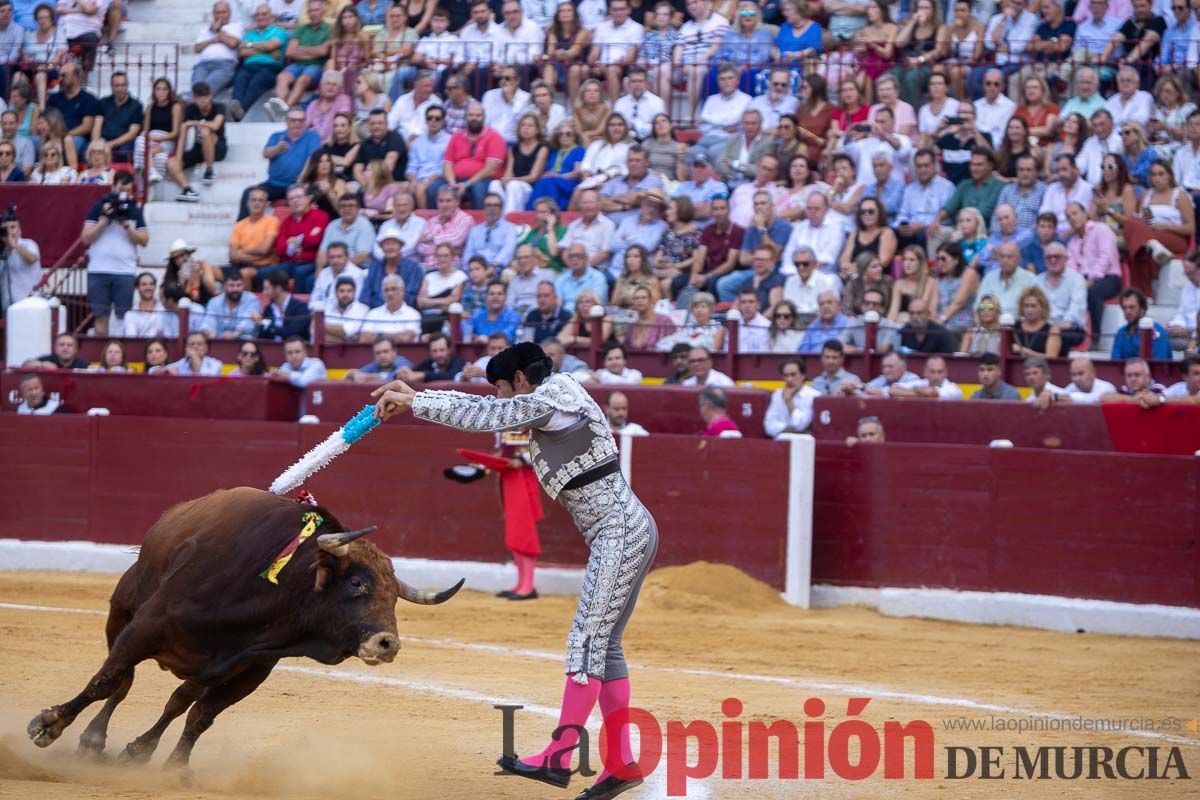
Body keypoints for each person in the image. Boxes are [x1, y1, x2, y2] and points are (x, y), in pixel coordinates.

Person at [372, 341, 657, 798]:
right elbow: (483, 407)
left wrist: (415, 402)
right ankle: (621, 764)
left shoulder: (551, 397)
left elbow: (487, 415)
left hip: (619, 533)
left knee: (586, 643)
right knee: (605, 649)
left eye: (503, 387)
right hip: (624, 529)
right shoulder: (554, 394)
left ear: (521, 379)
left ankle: (559, 756)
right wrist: (416, 396)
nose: (502, 397)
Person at [80, 171, 149, 337]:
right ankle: (102, 356)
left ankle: (119, 358)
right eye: (121, 187)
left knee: (123, 318)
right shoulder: (99, 206)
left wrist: (125, 225)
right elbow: (85, 238)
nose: (124, 191)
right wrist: (104, 220)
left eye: (128, 188)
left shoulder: (134, 210)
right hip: (98, 270)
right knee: (100, 317)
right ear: (113, 186)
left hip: (124, 271)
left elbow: (144, 240)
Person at [239, 106, 322, 217]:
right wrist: (278, 148)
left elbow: (311, 160)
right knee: (249, 193)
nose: (297, 123)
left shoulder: (311, 136)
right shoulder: (277, 136)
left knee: (313, 196)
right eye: (293, 120)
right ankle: (241, 229)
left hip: (299, 184)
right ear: (287, 122)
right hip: (274, 184)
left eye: (301, 120)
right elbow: (266, 153)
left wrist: (300, 181)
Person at [229, 5, 288, 121]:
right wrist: (266, 51)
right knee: (240, 78)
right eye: (258, 15)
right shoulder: (250, 33)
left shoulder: (279, 31)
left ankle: (240, 111)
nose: (260, 17)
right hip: (249, 66)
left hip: (270, 67)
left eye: (264, 14)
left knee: (257, 81)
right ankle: (234, 108)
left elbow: (270, 45)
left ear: (272, 17)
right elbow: (242, 52)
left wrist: (250, 45)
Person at [192, 1, 243, 100]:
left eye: (224, 12)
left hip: (224, 66)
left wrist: (219, 30)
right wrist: (212, 41)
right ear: (213, 14)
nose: (220, 15)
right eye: (218, 12)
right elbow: (196, 48)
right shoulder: (206, 30)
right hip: (203, 65)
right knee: (196, 90)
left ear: (229, 13)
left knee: (204, 92)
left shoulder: (236, 26)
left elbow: (233, 43)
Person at [93, 71, 143, 164]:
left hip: (123, 142)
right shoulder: (103, 102)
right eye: (117, 85)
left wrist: (111, 144)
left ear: (127, 86)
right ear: (112, 86)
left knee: (123, 153)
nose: (120, 88)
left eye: (123, 85)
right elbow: (97, 126)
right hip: (103, 140)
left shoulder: (136, 106)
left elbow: (132, 133)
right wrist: (97, 143)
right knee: (89, 150)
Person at [978, 241, 1038, 318]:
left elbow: (1036, 308)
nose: (1005, 260)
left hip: (1018, 326)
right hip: (992, 324)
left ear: (1018, 259)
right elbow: (979, 306)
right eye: (1002, 257)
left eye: (1009, 257)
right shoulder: (989, 278)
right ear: (998, 259)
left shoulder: (1030, 279)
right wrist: (993, 310)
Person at [1111, 287, 1173, 360]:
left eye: (1132, 307)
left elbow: (1158, 364)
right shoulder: (1121, 332)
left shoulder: (1158, 332)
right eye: (1124, 308)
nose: (1127, 311)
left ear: (1142, 309)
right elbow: (1115, 363)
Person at [764, 358, 818, 437]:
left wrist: (788, 401)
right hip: (779, 442)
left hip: (803, 444)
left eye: (793, 375)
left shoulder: (813, 396)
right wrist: (789, 429)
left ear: (803, 376)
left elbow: (801, 425)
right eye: (786, 375)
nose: (789, 379)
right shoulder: (777, 394)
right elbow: (768, 426)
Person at [362, 274, 421, 343]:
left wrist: (378, 336)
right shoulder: (373, 313)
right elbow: (364, 338)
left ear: (402, 292)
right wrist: (397, 336)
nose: (389, 293)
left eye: (393, 289)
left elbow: (406, 338)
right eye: (386, 290)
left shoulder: (413, 314)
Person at [0, 209, 39, 313]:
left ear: (19, 230)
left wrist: (14, 245)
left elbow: (32, 259)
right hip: (7, 306)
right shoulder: (2, 251)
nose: (10, 231)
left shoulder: (28, 244)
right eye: (6, 228)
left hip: (27, 304)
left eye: (13, 227)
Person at [200, 271, 259, 339]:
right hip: (218, 342)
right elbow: (208, 323)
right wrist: (208, 332)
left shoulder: (252, 299)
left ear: (243, 285)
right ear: (224, 286)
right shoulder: (214, 302)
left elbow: (248, 324)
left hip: (243, 343)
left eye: (239, 285)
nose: (235, 289)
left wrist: (234, 335)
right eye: (231, 285)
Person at [258, 268, 311, 340]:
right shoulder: (268, 309)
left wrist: (266, 324)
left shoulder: (300, 308)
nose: (264, 292)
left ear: (278, 288)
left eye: (267, 288)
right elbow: (263, 336)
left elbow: (291, 333)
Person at [395, 333, 465, 381]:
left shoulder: (459, 360)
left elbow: (452, 375)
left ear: (449, 350)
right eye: (434, 351)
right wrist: (402, 374)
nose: (439, 354)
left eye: (442, 350)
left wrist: (423, 375)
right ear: (430, 352)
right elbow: (413, 373)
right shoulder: (428, 362)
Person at [890, 355, 964, 400]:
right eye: (932, 372)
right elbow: (893, 390)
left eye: (940, 372)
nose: (936, 376)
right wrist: (919, 392)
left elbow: (931, 393)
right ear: (925, 372)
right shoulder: (921, 383)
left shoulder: (953, 389)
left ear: (946, 373)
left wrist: (914, 391)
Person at [323, 275, 371, 342]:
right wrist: (345, 341)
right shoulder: (326, 309)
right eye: (342, 291)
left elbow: (347, 331)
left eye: (349, 291)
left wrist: (320, 325)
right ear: (336, 293)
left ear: (354, 293)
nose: (345, 294)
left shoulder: (362, 309)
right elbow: (315, 335)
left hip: (352, 352)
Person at [346, 337, 412, 383]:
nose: (382, 356)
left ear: (394, 351)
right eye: (378, 353)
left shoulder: (403, 362)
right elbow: (351, 373)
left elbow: (399, 376)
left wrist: (372, 377)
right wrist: (354, 375)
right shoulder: (375, 364)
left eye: (385, 351)